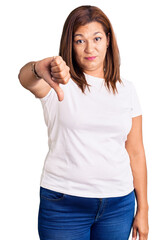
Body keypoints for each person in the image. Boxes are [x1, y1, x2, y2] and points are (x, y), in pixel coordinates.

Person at [18, 5, 149, 240]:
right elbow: (26, 79)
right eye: (80, 40)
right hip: (64, 205)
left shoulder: (127, 90)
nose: (90, 48)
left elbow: (136, 151)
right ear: (70, 44)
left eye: (97, 38)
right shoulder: (57, 83)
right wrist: (38, 68)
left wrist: (144, 210)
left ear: (108, 40)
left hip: (119, 206)